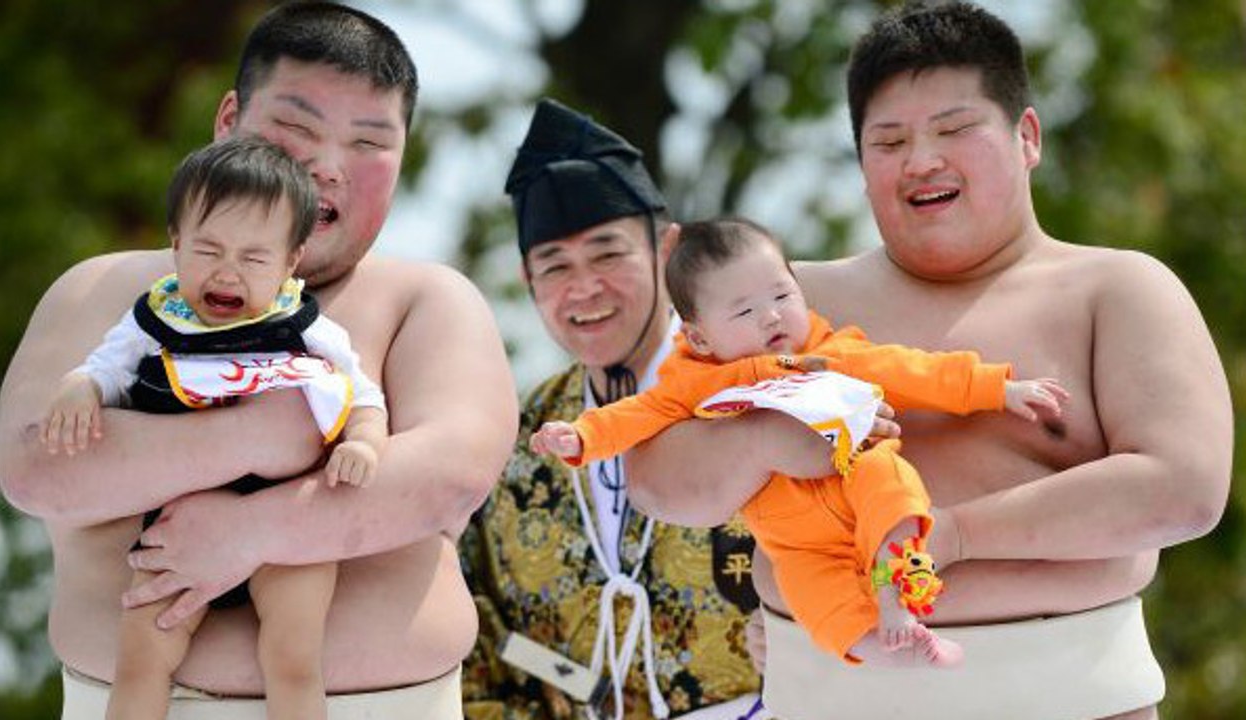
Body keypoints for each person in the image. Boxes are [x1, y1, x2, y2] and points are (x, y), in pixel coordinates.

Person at [623, 3, 1232, 720]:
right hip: (831, 691)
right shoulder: (785, 306)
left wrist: (957, 535)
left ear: (1026, 136)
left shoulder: (1116, 290)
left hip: (1075, 696)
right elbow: (656, 481)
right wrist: (761, 438)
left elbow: (1185, 489)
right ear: (860, 163)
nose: (921, 161)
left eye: (954, 129)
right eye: (889, 141)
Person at [0, 3, 517, 718]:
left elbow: (450, 478)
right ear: (229, 120)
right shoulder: (108, 289)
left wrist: (254, 531)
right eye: (299, 129)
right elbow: (39, 471)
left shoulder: (428, 301)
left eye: (368, 141)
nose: (327, 167)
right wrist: (262, 436)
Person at [533, 216, 1069, 669]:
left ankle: (896, 596)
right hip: (792, 535)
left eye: (782, 295)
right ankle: (888, 649)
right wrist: (580, 435)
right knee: (817, 600)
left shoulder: (832, 352)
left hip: (858, 477)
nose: (770, 316)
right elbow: (634, 415)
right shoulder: (693, 383)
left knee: (895, 492)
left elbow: (914, 371)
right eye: (743, 311)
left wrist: (1000, 388)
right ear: (699, 336)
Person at [41, 136, 388, 720]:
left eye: (254, 259)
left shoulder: (309, 328)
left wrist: (364, 441)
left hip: (284, 527)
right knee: (143, 657)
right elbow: (105, 368)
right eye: (208, 250)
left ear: (290, 262)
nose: (227, 272)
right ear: (176, 244)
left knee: (294, 656)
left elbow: (363, 395)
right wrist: (80, 387)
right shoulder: (155, 318)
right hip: (178, 529)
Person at [459, 99, 767, 720]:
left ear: (667, 249)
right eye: (555, 266)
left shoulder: (760, 392)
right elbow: (483, 641)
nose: (584, 288)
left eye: (608, 254)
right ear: (528, 280)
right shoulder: (511, 441)